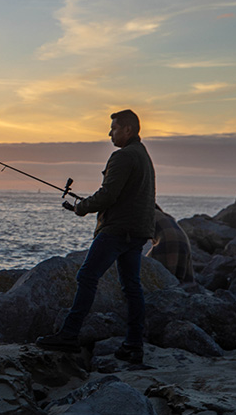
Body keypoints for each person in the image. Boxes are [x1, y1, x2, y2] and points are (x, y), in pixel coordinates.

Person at [36, 109, 156, 364]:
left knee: (87, 276)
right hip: (137, 232)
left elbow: (108, 195)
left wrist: (81, 207)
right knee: (131, 288)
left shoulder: (122, 156)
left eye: (113, 128)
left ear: (128, 130)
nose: (109, 133)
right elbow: (122, 194)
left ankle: (69, 335)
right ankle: (134, 345)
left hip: (117, 231)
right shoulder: (143, 155)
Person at [147, 204, 195, 284]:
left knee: (151, 271)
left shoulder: (146, 213)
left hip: (167, 242)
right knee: (180, 279)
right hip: (184, 242)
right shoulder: (164, 215)